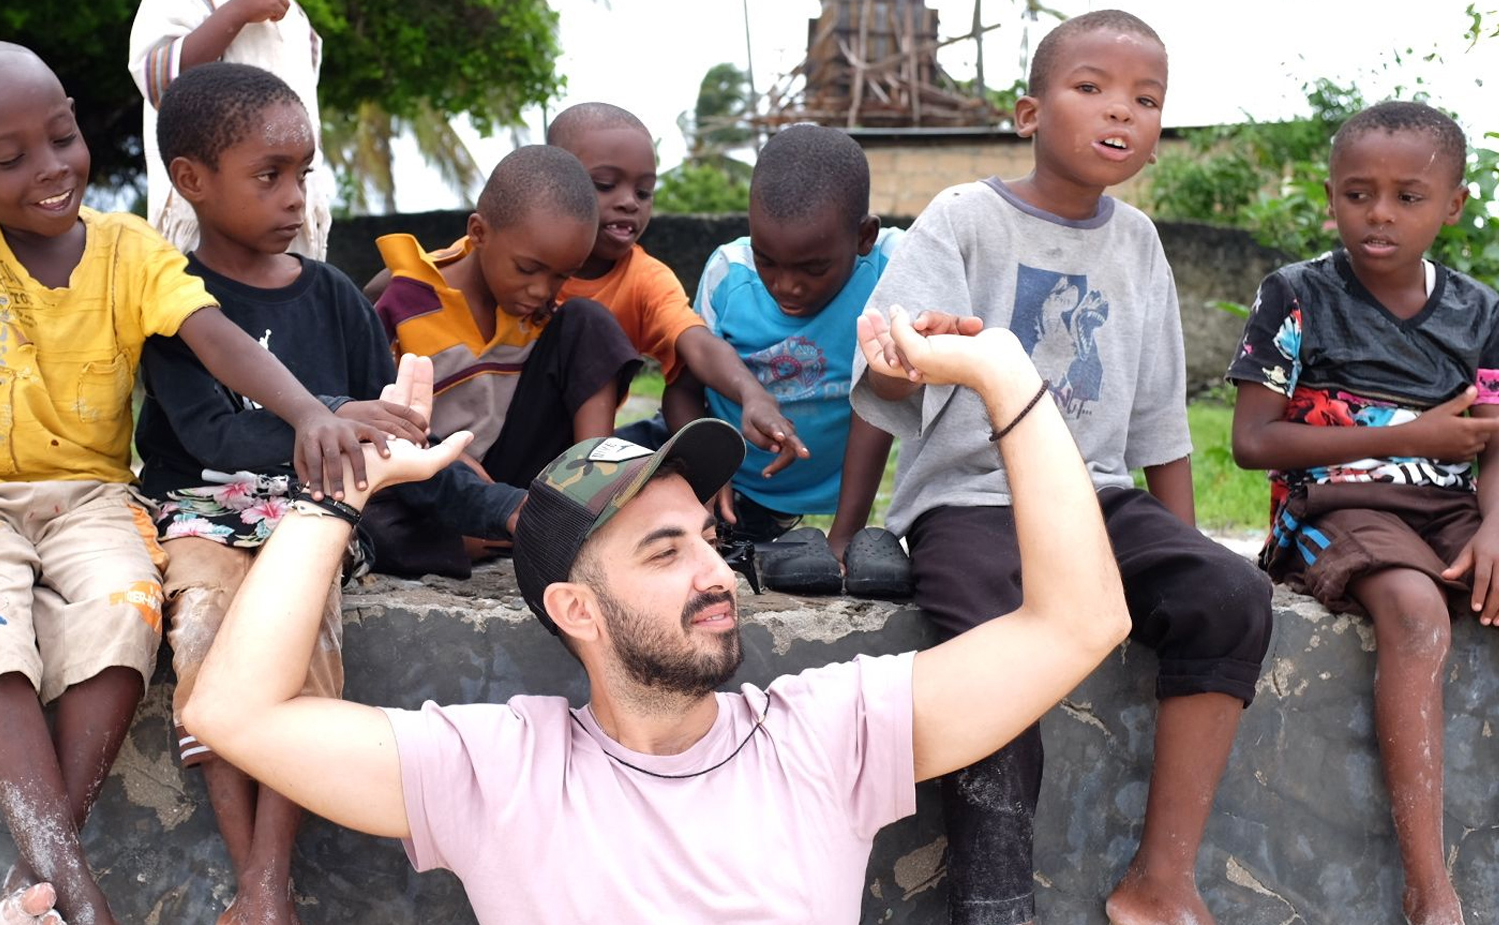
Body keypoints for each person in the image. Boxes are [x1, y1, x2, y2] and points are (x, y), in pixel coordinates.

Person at [178, 308, 1131, 923]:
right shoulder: (500, 770)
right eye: (664, 550)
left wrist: (1003, 377)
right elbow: (234, 714)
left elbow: (1076, 623)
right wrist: (339, 494)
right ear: (574, 609)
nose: (713, 570)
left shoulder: (827, 731)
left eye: (705, 539)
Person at [0, 42, 385, 925]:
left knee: (125, 607)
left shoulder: (129, 249)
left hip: (91, 494)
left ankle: (39, 874)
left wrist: (308, 412)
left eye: (62, 136)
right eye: (9, 159)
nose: (50, 168)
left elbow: (215, 336)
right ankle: (74, 887)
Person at [850, 11, 1274, 925]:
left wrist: (1185, 543)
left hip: (1097, 499)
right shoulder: (964, 219)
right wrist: (853, 524)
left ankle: (1160, 882)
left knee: (1230, 595)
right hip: (972, 503)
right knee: (995, 657)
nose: (1119, 111)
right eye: (1091, 88)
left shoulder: (1138, 246)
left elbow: (1162, 420)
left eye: (1145, 99)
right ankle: (995, 901)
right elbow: (886, 374)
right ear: (1027, 112)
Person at [132, 61, 519, 925]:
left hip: (313, 520)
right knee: (204, 628)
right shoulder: (172, 304)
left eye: (302, 174)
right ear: (191, 181)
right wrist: (338, 415)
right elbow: (213, 437)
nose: (294, 198)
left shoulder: (335, 296)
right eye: (268, 176)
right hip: (198, 512)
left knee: (299, 641)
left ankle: (269, 884)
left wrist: (506, 508)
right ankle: (254, 876)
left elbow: (393, 441)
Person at [1227, 101, 1499, 925]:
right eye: (1357, 193)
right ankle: (1431, 894)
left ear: (1451, 204)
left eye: (1406, 197)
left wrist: (1497, 528)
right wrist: (1415, 430)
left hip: (1450, 508)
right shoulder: (1296, 295)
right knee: (1415, 613)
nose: (1378, 214)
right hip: (1333, 503)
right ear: (1329, 196)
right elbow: (1248, 441)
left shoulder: (1479, 314)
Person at [681, 122, 909, 597]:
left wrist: (845, 536)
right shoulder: (730, 272)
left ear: (864, 236)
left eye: (813, 268)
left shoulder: (891, 264)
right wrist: (703, 472)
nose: (786, 286)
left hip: (839, 486)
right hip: (737, 489)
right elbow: (683, 385)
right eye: (768, 260)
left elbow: (880, 396)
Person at [544, 102, 807, 465]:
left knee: (665, 447)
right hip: (492, 432)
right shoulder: (511, 258)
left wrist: (754, 394)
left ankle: (592, 486)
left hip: (576, 448)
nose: (628, 203)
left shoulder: (644, 278)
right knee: (586, 319)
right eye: (605, 185)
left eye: (643, 192)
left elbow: (696, 342)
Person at [371, 144, 641, 493]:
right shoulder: (406, 299)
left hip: (513, 468)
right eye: (527, 269)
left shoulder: (542, 313)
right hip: (432, 476)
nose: (541, 291)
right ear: (479, 233)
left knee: (588, 319)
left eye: (562, 276)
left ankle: (591, 492)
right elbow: (376, 417)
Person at [129, 0, 334, 258]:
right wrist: (238, 11)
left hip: (292, 234)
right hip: (206, 240)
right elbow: (160, 83)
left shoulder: (297, 19)